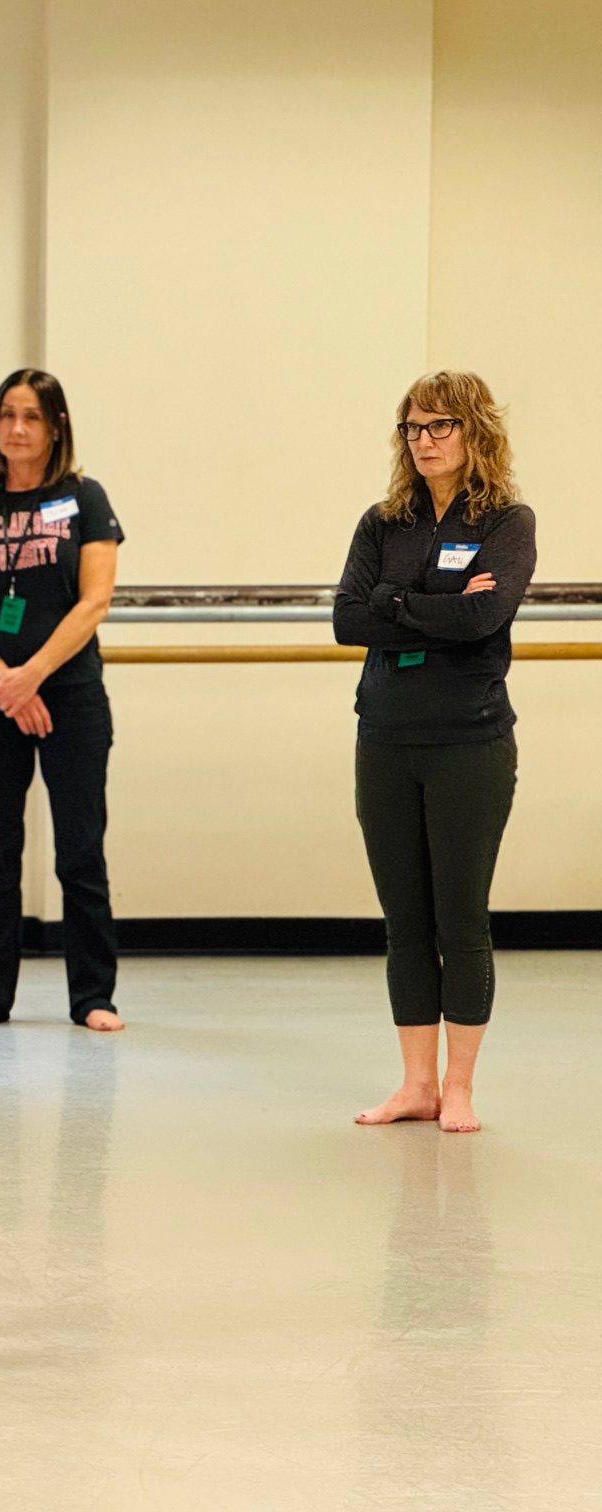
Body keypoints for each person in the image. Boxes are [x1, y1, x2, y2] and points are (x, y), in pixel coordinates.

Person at [333, 371, 535, 1135]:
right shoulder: (383, 522)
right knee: (404, 922)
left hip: (469, 742)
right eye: (412, 428)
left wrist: (399, 605)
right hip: (384, 737)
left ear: (475, 432)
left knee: (460, 919)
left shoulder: (507, 521)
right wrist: (432, 610)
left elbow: (487, 616)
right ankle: (416, 1083)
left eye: (439, 426)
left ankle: (459, 1087)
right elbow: (349, 620)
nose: (423, 440)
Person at [0, 370, 125, 1032]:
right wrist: (5, 685)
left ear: (56, 428)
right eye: (7, 415)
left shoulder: (83, 498)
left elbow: (94, 600)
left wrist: (33, 676)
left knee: (80, 849)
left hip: (69, 696)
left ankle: (93, 996)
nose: (18, 429)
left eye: (33, 418)